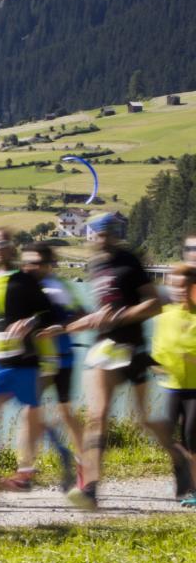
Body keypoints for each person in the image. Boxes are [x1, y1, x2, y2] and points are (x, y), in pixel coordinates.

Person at [65, 212, 176, 508]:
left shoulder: (130, 262)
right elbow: (100, 310)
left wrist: (119, 315)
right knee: (97, 415)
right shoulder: (96, 266)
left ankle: (183, 461)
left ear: (115, 235)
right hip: (104, 347)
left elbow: (156, 304)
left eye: (106, 234)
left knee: (144, 421)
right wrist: (75, 323)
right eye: (96, 235)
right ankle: (90, 487)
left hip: (133, 349)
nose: (101, 240)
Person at [0, 231, 57, 501]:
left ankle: (30, 469)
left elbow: (47, 312)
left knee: (32, 416)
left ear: (8, 249)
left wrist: (31, 323)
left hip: (25, 360)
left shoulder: (24, 279)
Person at [28, 241, 85, 491]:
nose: (31, 267)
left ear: (50, 265)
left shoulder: (57, 287)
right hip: (38, 361)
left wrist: (59, 328)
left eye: (37, 263)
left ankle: (83, 464)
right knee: (29, 411)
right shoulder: (25, 287)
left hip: (62, 357)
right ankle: (27, 469)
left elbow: (82, 315)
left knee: (65, 414)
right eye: (27, 262)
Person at [155, 263, 196, 507]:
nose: (179, 290)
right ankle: (183, 480)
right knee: (167, 436)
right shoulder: (166, 316)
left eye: (184, 286)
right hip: (172, 386)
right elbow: (159, 351)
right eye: (174, 285)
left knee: (192, 436)